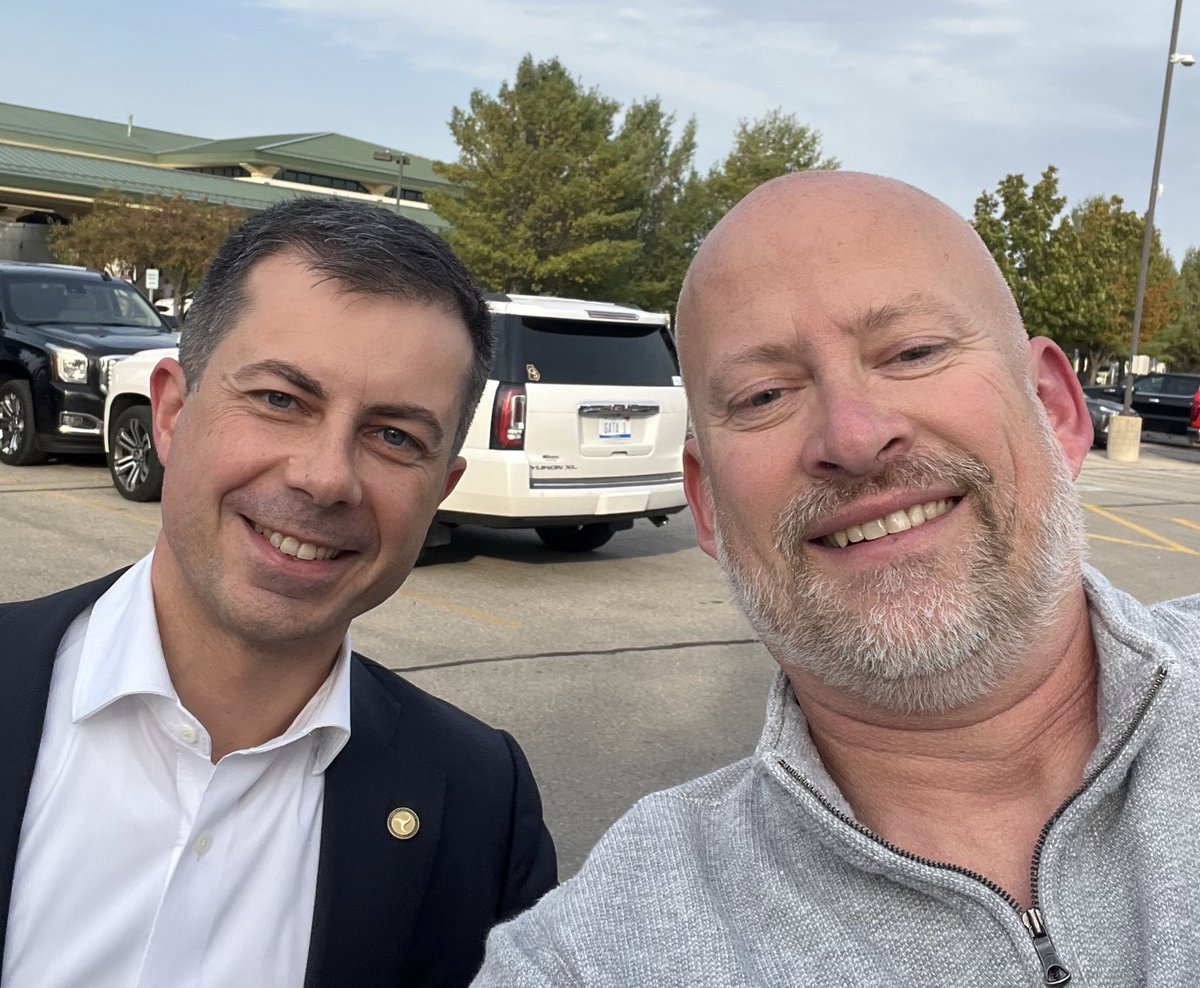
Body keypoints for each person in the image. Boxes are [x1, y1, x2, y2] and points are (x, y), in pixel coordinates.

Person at [473, 172, 1200, 986]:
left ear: (1056, 409)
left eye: (914, 352)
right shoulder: (597, 954)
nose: (853, 437)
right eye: (764, 395)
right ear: (707, 505)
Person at [0, 198, 556, 987]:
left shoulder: (479, 806)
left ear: (441, 490)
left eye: (395, 437)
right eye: (280, 400)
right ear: (170, 411)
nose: (326, 476)